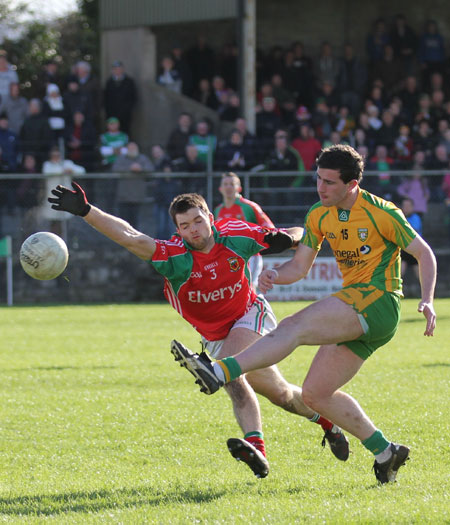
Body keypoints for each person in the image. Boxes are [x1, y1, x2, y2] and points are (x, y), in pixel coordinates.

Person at [172, 144, 437, 485]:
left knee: (293, 326)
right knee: (315, 395)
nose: (320, 187)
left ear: (352, 184)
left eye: (329, 182)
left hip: (379, 301)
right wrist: (275, 275)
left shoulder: (381, 212)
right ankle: (386, 451)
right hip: (359, 310)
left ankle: (220, 370)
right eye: (318, 179)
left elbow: (424, 253)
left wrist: (427, 299)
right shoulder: (318, 214)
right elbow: (299, 266)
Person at [47, 183, 350, 479]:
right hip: (216, 337)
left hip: (249, 315)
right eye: (185, 225)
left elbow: (296, 234)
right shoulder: (173, 257)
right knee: (281, 395)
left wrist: (289, 237)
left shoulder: (234, 235)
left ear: (209, 218)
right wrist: (87, 211)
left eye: (197, 221)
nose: (193, 229)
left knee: (230, 374)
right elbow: (131, 237)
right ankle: (328, 422)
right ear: (177, 231)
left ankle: (257, 449)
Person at [214, 172, 275, 291]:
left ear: (239, 188)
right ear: (220, 189)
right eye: (225, 184)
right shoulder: (218, 210)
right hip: (228, 259)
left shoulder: (249, 207)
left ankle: (262, 309)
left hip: (250, 257)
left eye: (232, 184)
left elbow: (269, 227)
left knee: (248, 290)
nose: (228, 187)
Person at [103, 60, 137, 135]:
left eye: (119, 69)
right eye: (115, 69)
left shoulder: (129, 82)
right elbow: (106, 98)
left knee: (125, 131)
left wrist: (127, 109)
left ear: (123, 70)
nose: (117, 71)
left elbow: (133, 97)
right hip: (112, 113)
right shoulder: (109, 82)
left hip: (125, 114)